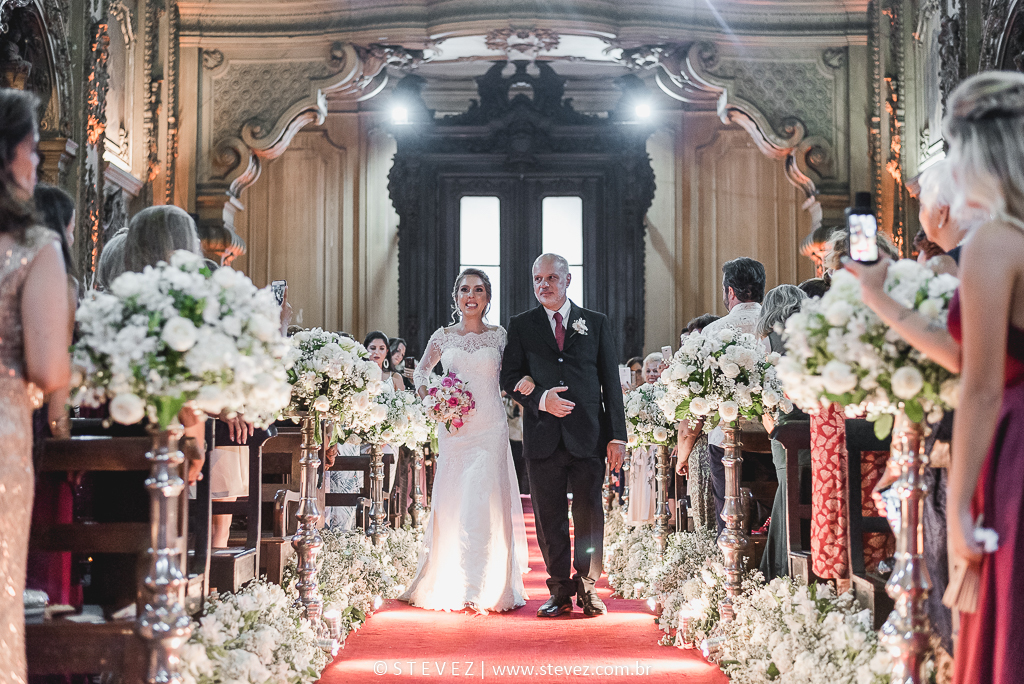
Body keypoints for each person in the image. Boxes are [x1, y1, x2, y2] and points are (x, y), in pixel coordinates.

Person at [847, 72, 1024, 681]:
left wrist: (959, 507)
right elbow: (971, 353)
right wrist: (881, 295)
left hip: (1016, 443)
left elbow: (978, 381)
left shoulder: (997, 240)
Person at [501, 253, 627, 618]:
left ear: (568, 281)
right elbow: (509, 376)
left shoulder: (595, 323)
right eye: (538, 279)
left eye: (552, 278)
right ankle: (558, 590)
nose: (544, 285)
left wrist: (617, 435)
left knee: (589, 515)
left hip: (588, 435)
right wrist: (541, 398)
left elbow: (611, 385)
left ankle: (588, 587)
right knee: (549, 517)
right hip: (542, 437)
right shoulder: (522, 325)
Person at [401, 268, 529, 614]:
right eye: (464, 290)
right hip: (455, 429)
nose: (470, 296)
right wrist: (434, 398)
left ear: (487, 298)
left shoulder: (499, 336)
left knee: (482, 498)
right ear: (455, 296)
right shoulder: (443, 337)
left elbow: (515, 372)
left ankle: (481, 585)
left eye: (478, 290)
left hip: (490, 427)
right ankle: (453, 579)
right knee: (455, 499)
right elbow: (423, 371)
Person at [0, 88, 72, 684]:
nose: (36, 165)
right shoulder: (34, 247)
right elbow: (50, 370)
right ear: (10, 155)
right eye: (32, 151)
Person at [675, 257, 765, 534]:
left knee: (728, 516)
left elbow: (695, 403)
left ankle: (730, 564)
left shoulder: (714, 331)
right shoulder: (777, 326)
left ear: (730, 292)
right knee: (773, 508)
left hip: (725, 441)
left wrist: (684, 453)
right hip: (773, 438)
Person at [756, 284, 808, 580]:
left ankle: (779, 570)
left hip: (783, 425)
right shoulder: (809, 334)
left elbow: (758, 389)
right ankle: (790, 565)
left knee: (787, 492)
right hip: (812, 423)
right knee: (800, 492)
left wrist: (771, 426)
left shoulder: (766, 341)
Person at [677, 314, 719, 532]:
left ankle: (706, 546)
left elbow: (692, 428)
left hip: (705, 447)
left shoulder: (699, 371)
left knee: (706, 513)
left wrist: (680, 459)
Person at [626, 352, 664, 526]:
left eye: (656, 370)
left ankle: (659, 522)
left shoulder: (667, 392)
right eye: (648, 371)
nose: (652, 374)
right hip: (642, 448)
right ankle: (643, 527)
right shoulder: (638, 393)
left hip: (661, 446)